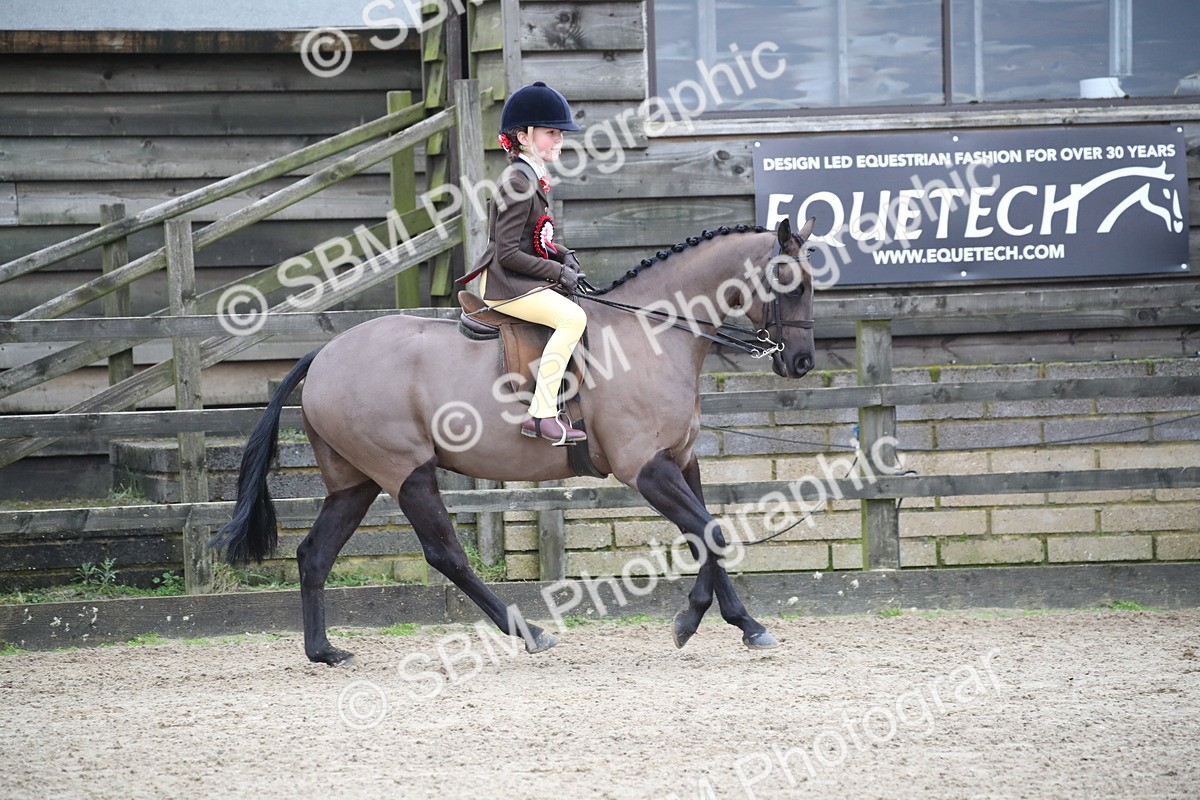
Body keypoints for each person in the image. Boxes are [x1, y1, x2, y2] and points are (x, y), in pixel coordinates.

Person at [468, 82, 589, 446]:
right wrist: (557, 272)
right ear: (523, 137)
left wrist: (560, 252)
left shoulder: (530, 177)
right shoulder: (518, 182)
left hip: (519, 278)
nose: (558, 140)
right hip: (506, 285)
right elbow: (506, 253)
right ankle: (541, 414)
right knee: (573, 319)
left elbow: (531, 239)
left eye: (559, 133)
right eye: (550, 133)